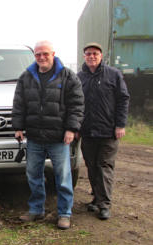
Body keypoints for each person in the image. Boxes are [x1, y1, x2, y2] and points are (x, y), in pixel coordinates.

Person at [12, 40, 84, 230]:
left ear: (53, 53)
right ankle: (36, 210)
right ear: (34, 56)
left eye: (45, 54)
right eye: (38, 55)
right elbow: (19, 104)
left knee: (63, 178)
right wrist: (18, 127)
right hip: (34, 137)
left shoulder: (68, 76)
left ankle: (64, 213)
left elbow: (77, 105)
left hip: (59, 138)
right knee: (33, 175)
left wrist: (71, 129)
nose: (41, 58)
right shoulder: (26, 76)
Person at [77, 42, 130, 220]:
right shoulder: (79, 78)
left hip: (108, 131)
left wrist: (120, 125)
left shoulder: (113, 75)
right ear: (84, 56)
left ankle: (105, 205)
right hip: (87, 132)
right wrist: (75, 127)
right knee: (91, 166)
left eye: (95, 54)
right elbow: (75, 104)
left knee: (104, 166)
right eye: (88, 54)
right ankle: (96, 198)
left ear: (101, 56)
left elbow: (123, 99)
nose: (92, 56)